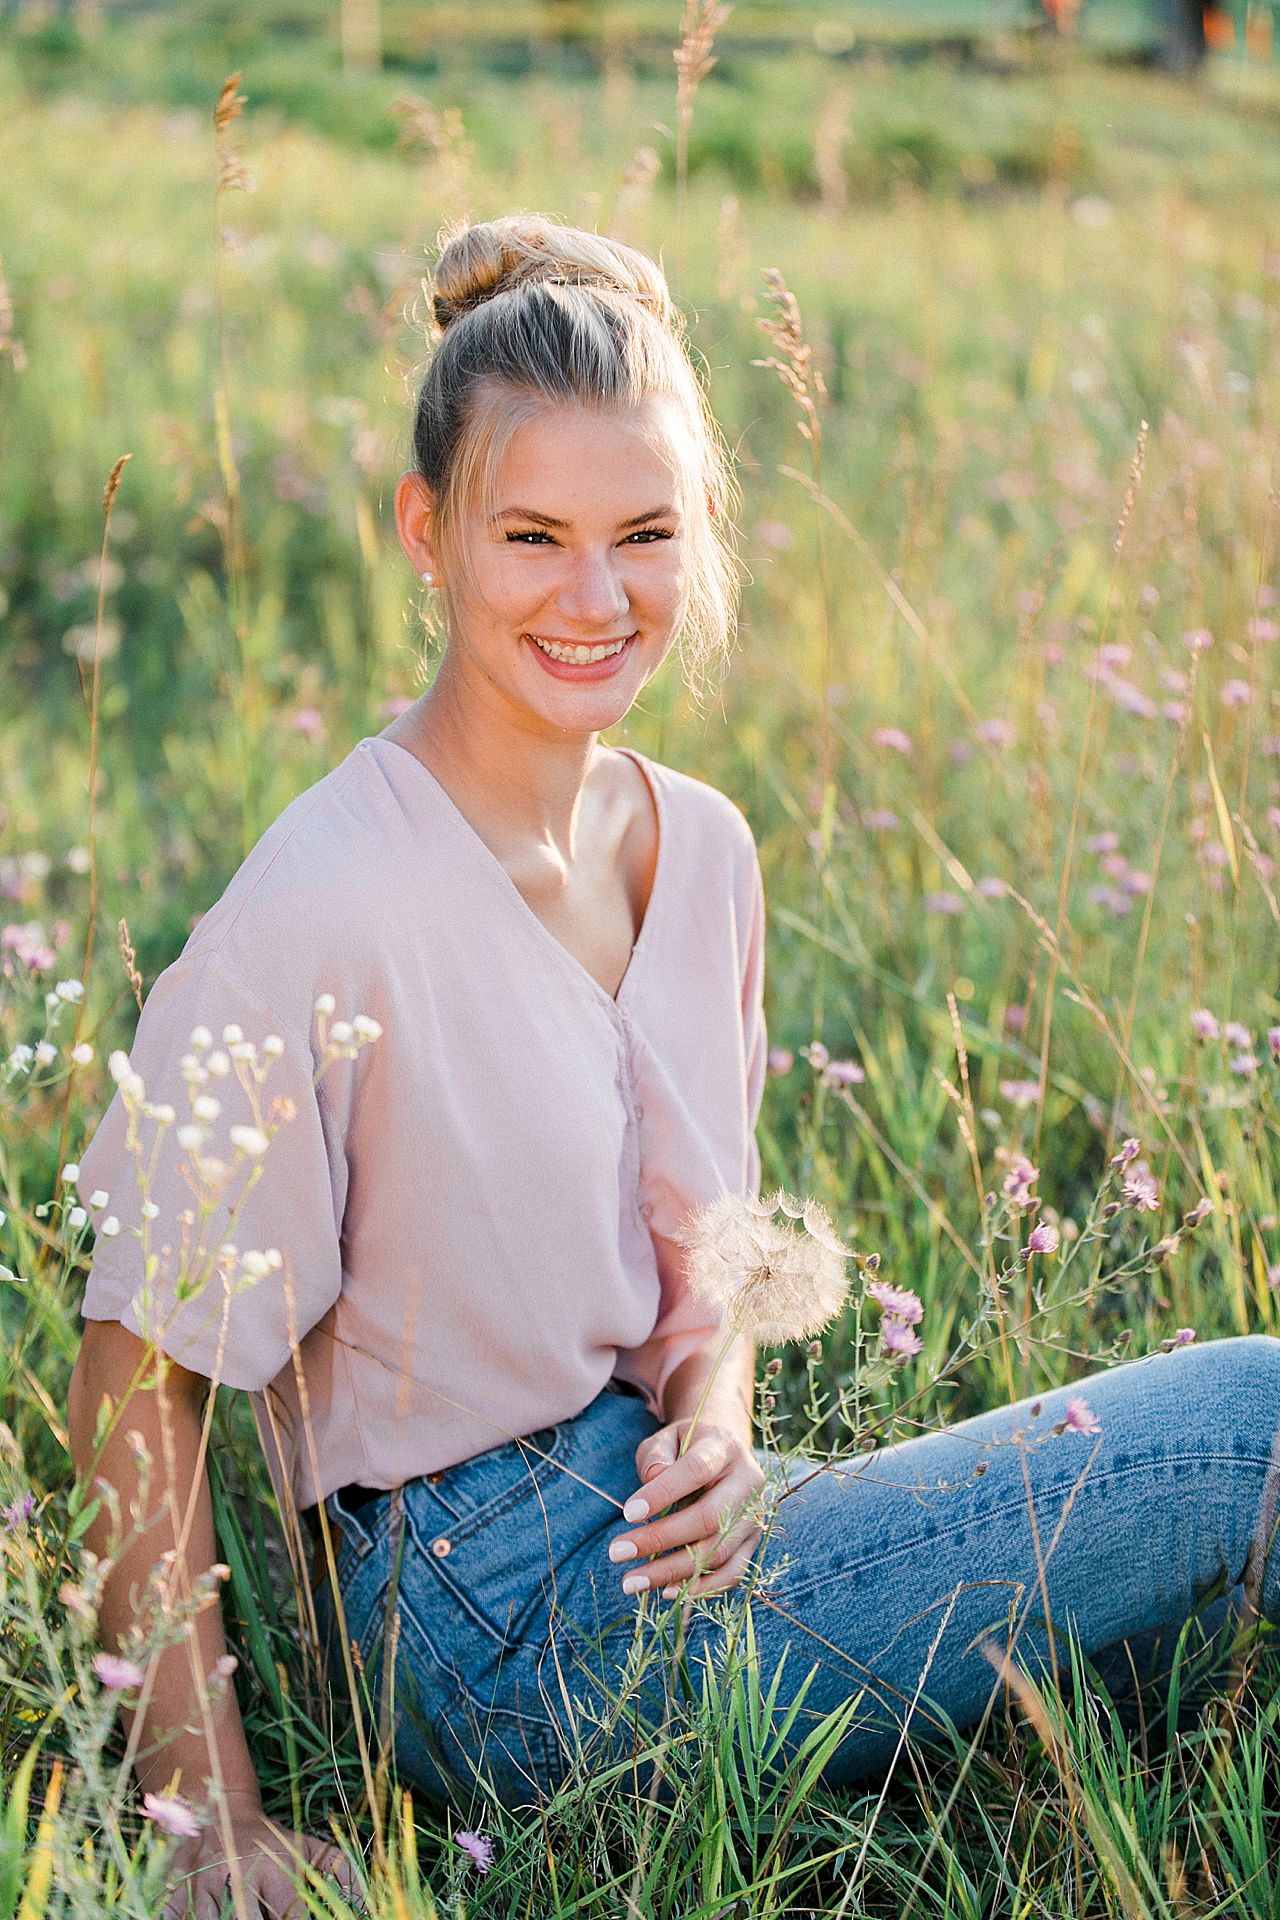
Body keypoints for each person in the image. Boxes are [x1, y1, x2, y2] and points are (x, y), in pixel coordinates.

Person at [68, 212, 1280, 1909]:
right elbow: (136, 1368)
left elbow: (703, 1256)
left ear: (703, 527)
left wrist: (716, 1411)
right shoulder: (325, 906)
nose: (593, 596)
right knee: (1259, 1423)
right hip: (481, 1623)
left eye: (643, 532)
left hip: (669, 1519)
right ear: (426, 534)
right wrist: (209, 1822)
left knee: (1221, 1623)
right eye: (532, 536)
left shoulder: (701, 850)